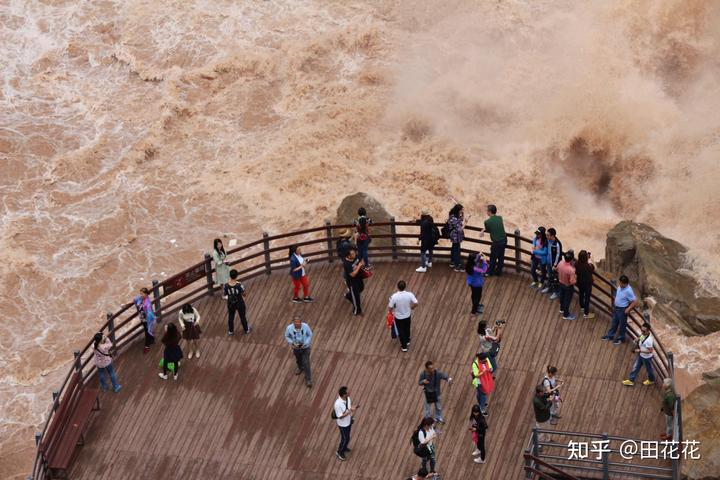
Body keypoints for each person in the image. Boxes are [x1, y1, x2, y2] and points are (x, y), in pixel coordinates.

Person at [602, 275, 638, 344]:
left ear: (625, 283)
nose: (620, 284)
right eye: (620, 282)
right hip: (617, 308)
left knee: (622, 325)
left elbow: (635, 301)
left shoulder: (628, 291)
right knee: (614, 323)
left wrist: (629, 308)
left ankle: (621, 339)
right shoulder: (620, 287)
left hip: (622, 309)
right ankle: (610, 336)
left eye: (621, 283)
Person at [388, 280, 418, 352]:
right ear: (405, 286)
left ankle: (404, 347)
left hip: (398, 317)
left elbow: (390, 307)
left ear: (397, 287)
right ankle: (407, 340)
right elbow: (416, 303)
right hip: (407, 315)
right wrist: (412, 307)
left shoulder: (394, 297)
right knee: (407, 327)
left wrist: (390, 312)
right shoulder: (409, 294)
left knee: (400, 330)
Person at [284, 315, 313, 388]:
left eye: (298, 322)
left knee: (306, 363)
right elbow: (287, 336)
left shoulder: (305, 326)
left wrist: (306, 343)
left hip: (305, 347)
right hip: (296, 347)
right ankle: (300, 368)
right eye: (295, 322)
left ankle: (308, 379)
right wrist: (292, 343)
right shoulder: (289, 328)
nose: (297, 323)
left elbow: (310, 335)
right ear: (293, 322)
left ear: (301, 322)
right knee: (298, 359)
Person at [334, 386, 358, 461]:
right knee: (345, 439)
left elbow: (349, 408)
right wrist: (350, 411)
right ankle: (339, 452)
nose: (349, 393)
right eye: (347, 393)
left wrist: (351, 417)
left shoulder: (348, 398)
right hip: (343, 425)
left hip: (348, 422)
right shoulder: (337, 404)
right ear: (343, 395)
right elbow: (340, 416)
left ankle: (344, 447)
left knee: (346, 438)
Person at [224, 269, 250, 336]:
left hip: (230, 303)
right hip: (239, 302)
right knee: (242, 316)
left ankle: (230, 331)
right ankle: (246, 329)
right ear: (236, 276)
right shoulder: (239, 285)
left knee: (231, 316)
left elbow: (225, 294)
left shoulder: (226, 285)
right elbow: (244, 294)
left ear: (230, 276)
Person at [483, 204, 507, 277]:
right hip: (504, 240)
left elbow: (488, 229)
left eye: (487, 211)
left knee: (493, 258)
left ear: (490, 212)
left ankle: (489, 272)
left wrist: (482, 230)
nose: (486, 212)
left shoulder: (487, 222)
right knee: (501, 257)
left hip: (496, 242)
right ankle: (498, 272)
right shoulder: (500, 218)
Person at [542, 228, 563, 299]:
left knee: (555, 278)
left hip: (554, 265)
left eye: (548, 235)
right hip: (548, 262)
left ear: (552, 236)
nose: (546, 236)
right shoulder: (547, 240)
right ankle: (549, 288)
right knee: (549, 276)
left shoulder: (557, 244)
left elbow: (558, 255)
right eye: (546, 235)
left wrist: (555, 265)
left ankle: (556, 292)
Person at [343, 248, 364, 316]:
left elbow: (361, 260)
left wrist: (362, 263)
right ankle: (357, 311)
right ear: (348, 256)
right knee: (356, 297)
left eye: (354, 253)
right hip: (352, 281)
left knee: (361, 288)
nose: (355, 254)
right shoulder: (346, 264)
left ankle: (348, 295)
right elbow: (352, 274)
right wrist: (359, 266)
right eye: (352, 254)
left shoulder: (355, 256)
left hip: (359, 278)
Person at [134, 287, 156, 354]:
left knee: (147, 332)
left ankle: (147, 346)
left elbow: (149, 313)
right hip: (142, 318)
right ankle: (152, 339)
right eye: (140, 293)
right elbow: (135, 299)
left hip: (146, 320)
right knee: (147, 331)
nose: (140, 295)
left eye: (142, 294)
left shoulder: (147, 303)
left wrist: (147, 320)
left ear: (146, 294)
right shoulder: (141, 299)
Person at [575, 250, 595, 319]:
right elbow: (593, 268)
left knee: (581, 294)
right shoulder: (588, 266)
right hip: (587, 284)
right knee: (587, 297)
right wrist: (589, 261)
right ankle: (586, 313)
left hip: (580, 282)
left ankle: (582, 307)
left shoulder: (576, 264)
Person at [557, 251, 577, 320]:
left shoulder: (560, 263)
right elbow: (572, 282)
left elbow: (557, 269)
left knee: (562, 296)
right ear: (571, 259)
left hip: (561, 282)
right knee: (567, 300)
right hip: (568, 286)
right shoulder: (571, 270)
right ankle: (566, 315)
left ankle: (561, 309)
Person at [448, 204, 466, 271]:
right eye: (461, 210)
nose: (462, 210)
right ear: (458, 210)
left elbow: (460, 220)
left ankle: (452, 262)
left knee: (454, 248)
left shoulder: (453, 216)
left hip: (453, 235)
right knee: (457, 250)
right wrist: (465, 223)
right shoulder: (454, 218)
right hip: (456, 236)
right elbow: (459, 229)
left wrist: (463, 215)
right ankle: (457, 265)